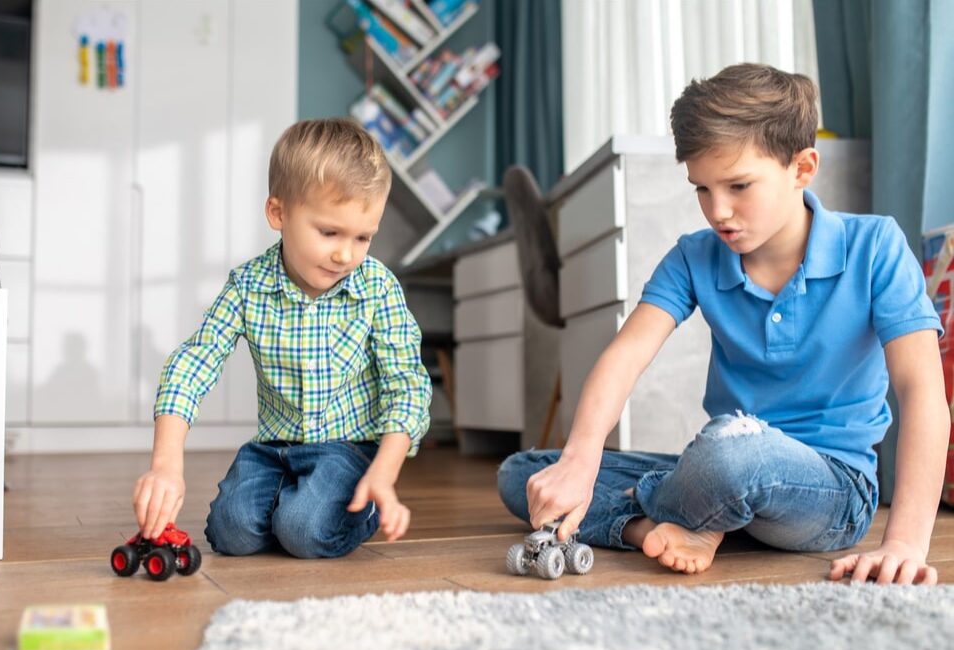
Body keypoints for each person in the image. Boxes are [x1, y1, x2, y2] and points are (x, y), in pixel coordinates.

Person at [498, 63, 948, 584]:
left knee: (732, 454)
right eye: (702, 189)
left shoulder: (876, 246)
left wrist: (906, 543)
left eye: (738, 185)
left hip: (829, 489)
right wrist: (578, 460)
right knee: (525, 473)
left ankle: (681, 505)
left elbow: (921, 393)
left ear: (802, 169)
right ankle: (653, 526)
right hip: (717, 465)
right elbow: (626, 356)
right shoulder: (695, 257)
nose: (718, 211)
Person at [132, 118, 432, 558]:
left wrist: (383, 472)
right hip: (273, 449)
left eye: (363, 237)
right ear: (278, 213)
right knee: (229, 534)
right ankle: (294, 504)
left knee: (303, 530)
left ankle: (342, 509)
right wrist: (166, 465)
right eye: (329, 232)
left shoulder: (378, 289)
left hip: (348, 449)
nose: (345, 254)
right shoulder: (248, 285)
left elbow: (406, 383)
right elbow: (194, 363)